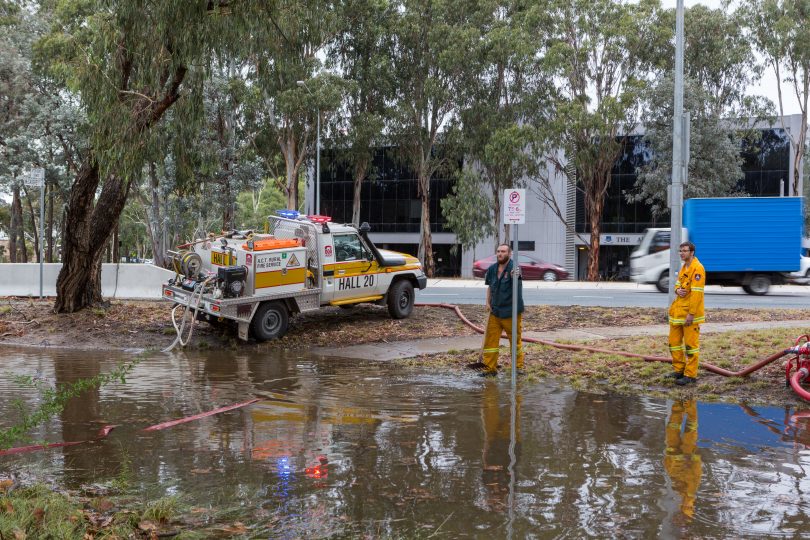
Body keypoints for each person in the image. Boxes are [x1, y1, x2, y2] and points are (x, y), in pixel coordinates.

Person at [474, 243, 525, 377]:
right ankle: (490, 368)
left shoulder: (514, 269)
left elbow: (518, 276)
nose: (500, 254)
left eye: (503, 251)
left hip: (511, 313)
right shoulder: (491, 269)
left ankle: (518, 368)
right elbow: (490, 287)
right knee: (490, 342)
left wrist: (516, 275)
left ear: (509, 254)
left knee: (515, 340)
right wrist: (487, 302)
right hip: (495, 312)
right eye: (498, 251)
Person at [667, 241, 705, 386]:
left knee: (691, 346)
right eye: (680, 251)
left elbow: (697, 295)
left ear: (692, 252)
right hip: (677, 313)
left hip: (689, 315)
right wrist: (677, 290)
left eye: (684, 251)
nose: (682, 253)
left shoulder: (698, 269)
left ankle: (690, 375)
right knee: (674, 343)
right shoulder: (684, 267)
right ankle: (679, 370)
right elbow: (678, 284)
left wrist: (691, 314)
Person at [664, 400, 702, 522]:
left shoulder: (681, 493)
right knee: (690, 427)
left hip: (674, 455)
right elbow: (694, 475)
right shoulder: (689, 495)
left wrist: (669, 458)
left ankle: (679, 402)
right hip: (687, 456)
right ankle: (689, 402)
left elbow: (671, 470)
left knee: (673, 427)